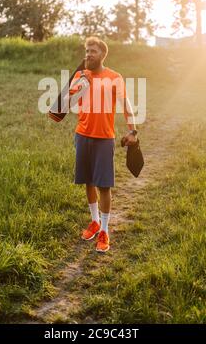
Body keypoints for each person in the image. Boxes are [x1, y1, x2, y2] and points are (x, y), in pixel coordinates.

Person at [68, 36, 137, 253]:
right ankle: (95, 221)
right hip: (82, 135)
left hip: (104, 138)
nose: (88, 54)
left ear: (102, 55)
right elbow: (66, 104)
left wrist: (132, 130)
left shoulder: (114, 77)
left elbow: (126, 106)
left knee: (103, 185)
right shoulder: (80, 76)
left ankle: (105, 230)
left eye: (93, 51)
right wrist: (80, 86)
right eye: (87, 50)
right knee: (88, 181)